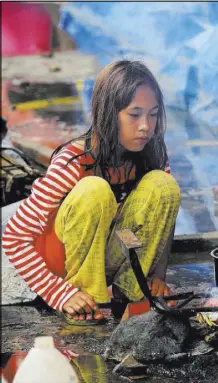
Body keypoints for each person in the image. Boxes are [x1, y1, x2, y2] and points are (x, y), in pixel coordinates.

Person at [2, 60, 181, 324]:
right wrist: (58, 293)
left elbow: (167, 219)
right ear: (109, 115)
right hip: (62, 271)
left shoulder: (152, 154)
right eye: (135, 115)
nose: (146, 126)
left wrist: (158, 276)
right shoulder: (73, 161)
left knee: (164, 187)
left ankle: (132, 291)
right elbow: (14, 237)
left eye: (153, 114)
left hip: (109, 257)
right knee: (94, 190)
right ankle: (86, 300)